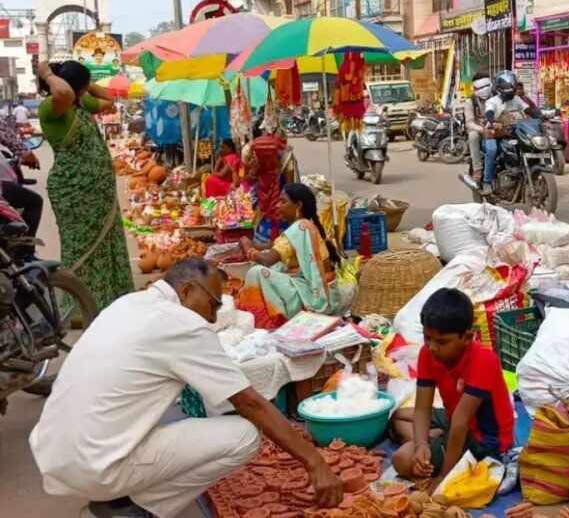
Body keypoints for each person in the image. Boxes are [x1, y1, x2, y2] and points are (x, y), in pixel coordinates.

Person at [30, 259, 342, 518]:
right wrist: (314, 462)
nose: (213, 316)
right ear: (187, 289)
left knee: (162, 420)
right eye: (213, 303)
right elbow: (249, 403)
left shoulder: (127, 304)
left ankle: (116, 495)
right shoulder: (182, 323)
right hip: (94, 464)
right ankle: (137, 510)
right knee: (243, 436)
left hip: (54, 453)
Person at [391, 288, 515, 487]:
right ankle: (431, 445)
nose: (432, 347)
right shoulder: (428, 354)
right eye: (427, 338)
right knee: (399, 416)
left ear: (467, 337)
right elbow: (422, 408)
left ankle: (437, 452)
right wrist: (422, 444)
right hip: (453, 419)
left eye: (441, 341)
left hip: (485, 440)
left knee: (401, 459)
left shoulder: (483, 359)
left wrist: (443, 479)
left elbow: (460, 422)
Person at [37, 60, 134, 310]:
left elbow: (110, 100)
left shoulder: (80, 104)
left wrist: (87, 83)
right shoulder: (53, 107)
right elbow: (63, 92)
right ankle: (82, 306)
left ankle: (110, 300)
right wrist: (47, 73)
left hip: (98, 191)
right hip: (74, 191)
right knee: (82, 247)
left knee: (105, 245)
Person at [237, 183, 340, 329]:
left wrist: (249, 249)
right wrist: (251, 244)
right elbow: (273, 246)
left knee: (257, 272)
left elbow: (267, 260)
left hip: (314, 294)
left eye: (283, 201)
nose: (278, 205)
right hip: (310, 286)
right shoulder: (302, 226)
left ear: (298, 205)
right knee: (267, 268)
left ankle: (266, 321)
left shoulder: (301, 227)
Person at [482, 71, 537, 195]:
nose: (510, 88)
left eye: (512, 85)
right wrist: (492, 122)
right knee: (492, 150)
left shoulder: (516, 99)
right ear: (499, 87)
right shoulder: (492, 101)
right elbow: (489, 113)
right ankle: (487, 181)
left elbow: (527, 109)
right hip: (493, 134)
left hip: (511, 133)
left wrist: (540, 116)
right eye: (507, 86)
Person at [464, 72, 493, 184]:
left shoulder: (496, 98)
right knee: (472, 136)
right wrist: (482, 129)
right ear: (475, 88)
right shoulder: (470, 102)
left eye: (487, 86)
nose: (485, 89)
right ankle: (478, 169)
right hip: (479, 130)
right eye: (481, 87)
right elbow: (469, 123)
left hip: (495, 130)